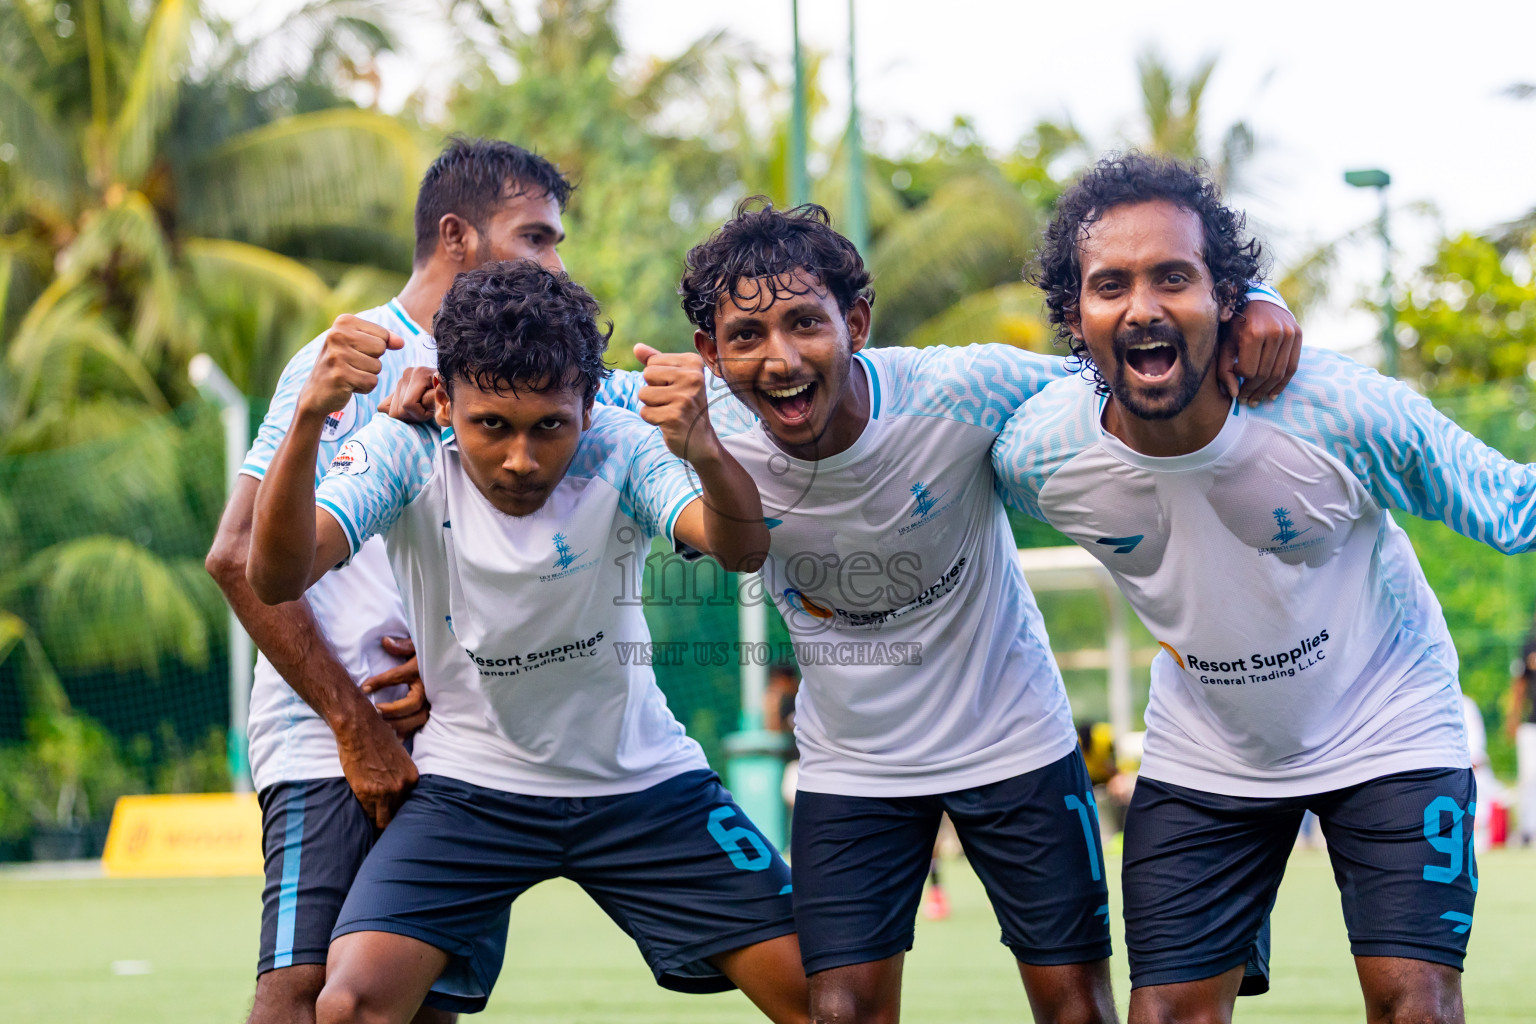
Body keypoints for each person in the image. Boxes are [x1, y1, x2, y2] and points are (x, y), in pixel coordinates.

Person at [657, 199, 1300, 1024]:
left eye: (806, 323)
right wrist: (432, 389)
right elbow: (553, 381)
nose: (780, 359)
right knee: (842, 1012)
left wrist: (1260, 300)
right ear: (710, 353)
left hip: (1014, 741)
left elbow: (1138, 359)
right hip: (855, 764)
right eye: (746, 337)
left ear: (855, 319)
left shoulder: (963, 387)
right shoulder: (699, 435)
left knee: (1075, 1008)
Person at [990, 152, 1522, 1024]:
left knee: (1415, 1009)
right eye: (1110, 285)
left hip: (1385, 720)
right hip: (1210, 748)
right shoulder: (1039, 454)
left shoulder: (1341, 412)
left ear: (1225, 297)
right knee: (1166, 1016)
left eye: (1174, 277)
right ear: (1074, 316)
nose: (1144, 307)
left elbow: (1510, 506)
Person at [245, 261, 808, 1024]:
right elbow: (277, 574)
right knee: (347, 1004)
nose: (521, 458)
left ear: (588, 403)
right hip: (471, 788)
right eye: (492, 427)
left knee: (824, 997)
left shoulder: (623, 444)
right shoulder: (406, 448)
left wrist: (705, 446)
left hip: (639, 782)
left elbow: (739, 549)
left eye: (550, 426)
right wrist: (312, 414)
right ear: (443, 401)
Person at [203, 136, 571, 1024]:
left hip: (468, 752)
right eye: (537, 238)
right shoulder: (352, 360)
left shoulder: (534, 379)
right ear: (457, 236)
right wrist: (355, 725)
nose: (559, 264)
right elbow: (239, 561)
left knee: (424, 1007)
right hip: (335, 748)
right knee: (298, 995)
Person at [1508, 626, 1536, 844]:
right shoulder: (1530, 642)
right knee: (1528, 778)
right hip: (1532, 723)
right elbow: (1520, 682)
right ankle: (1527, 830)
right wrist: (1513, 716)